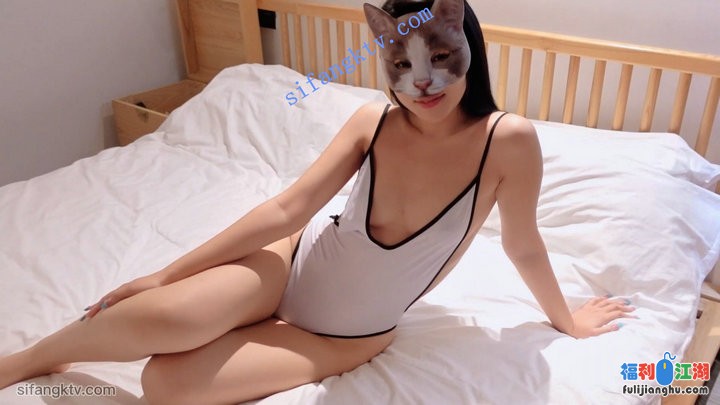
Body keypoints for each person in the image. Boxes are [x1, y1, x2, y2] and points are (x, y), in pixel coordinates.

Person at [0, 0, 634, 403]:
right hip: (288, 267)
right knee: (163, 317)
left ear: (467, 45)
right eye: (402, 63)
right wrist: (164, 275)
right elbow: (287, 210)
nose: (422, 82)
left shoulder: (508, 141)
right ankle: (30, 358)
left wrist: (566, 320)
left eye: (440, 57)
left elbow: (523, 244)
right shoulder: (372, 122)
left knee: (163, 383)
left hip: (347, 335)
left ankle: (220, 325)